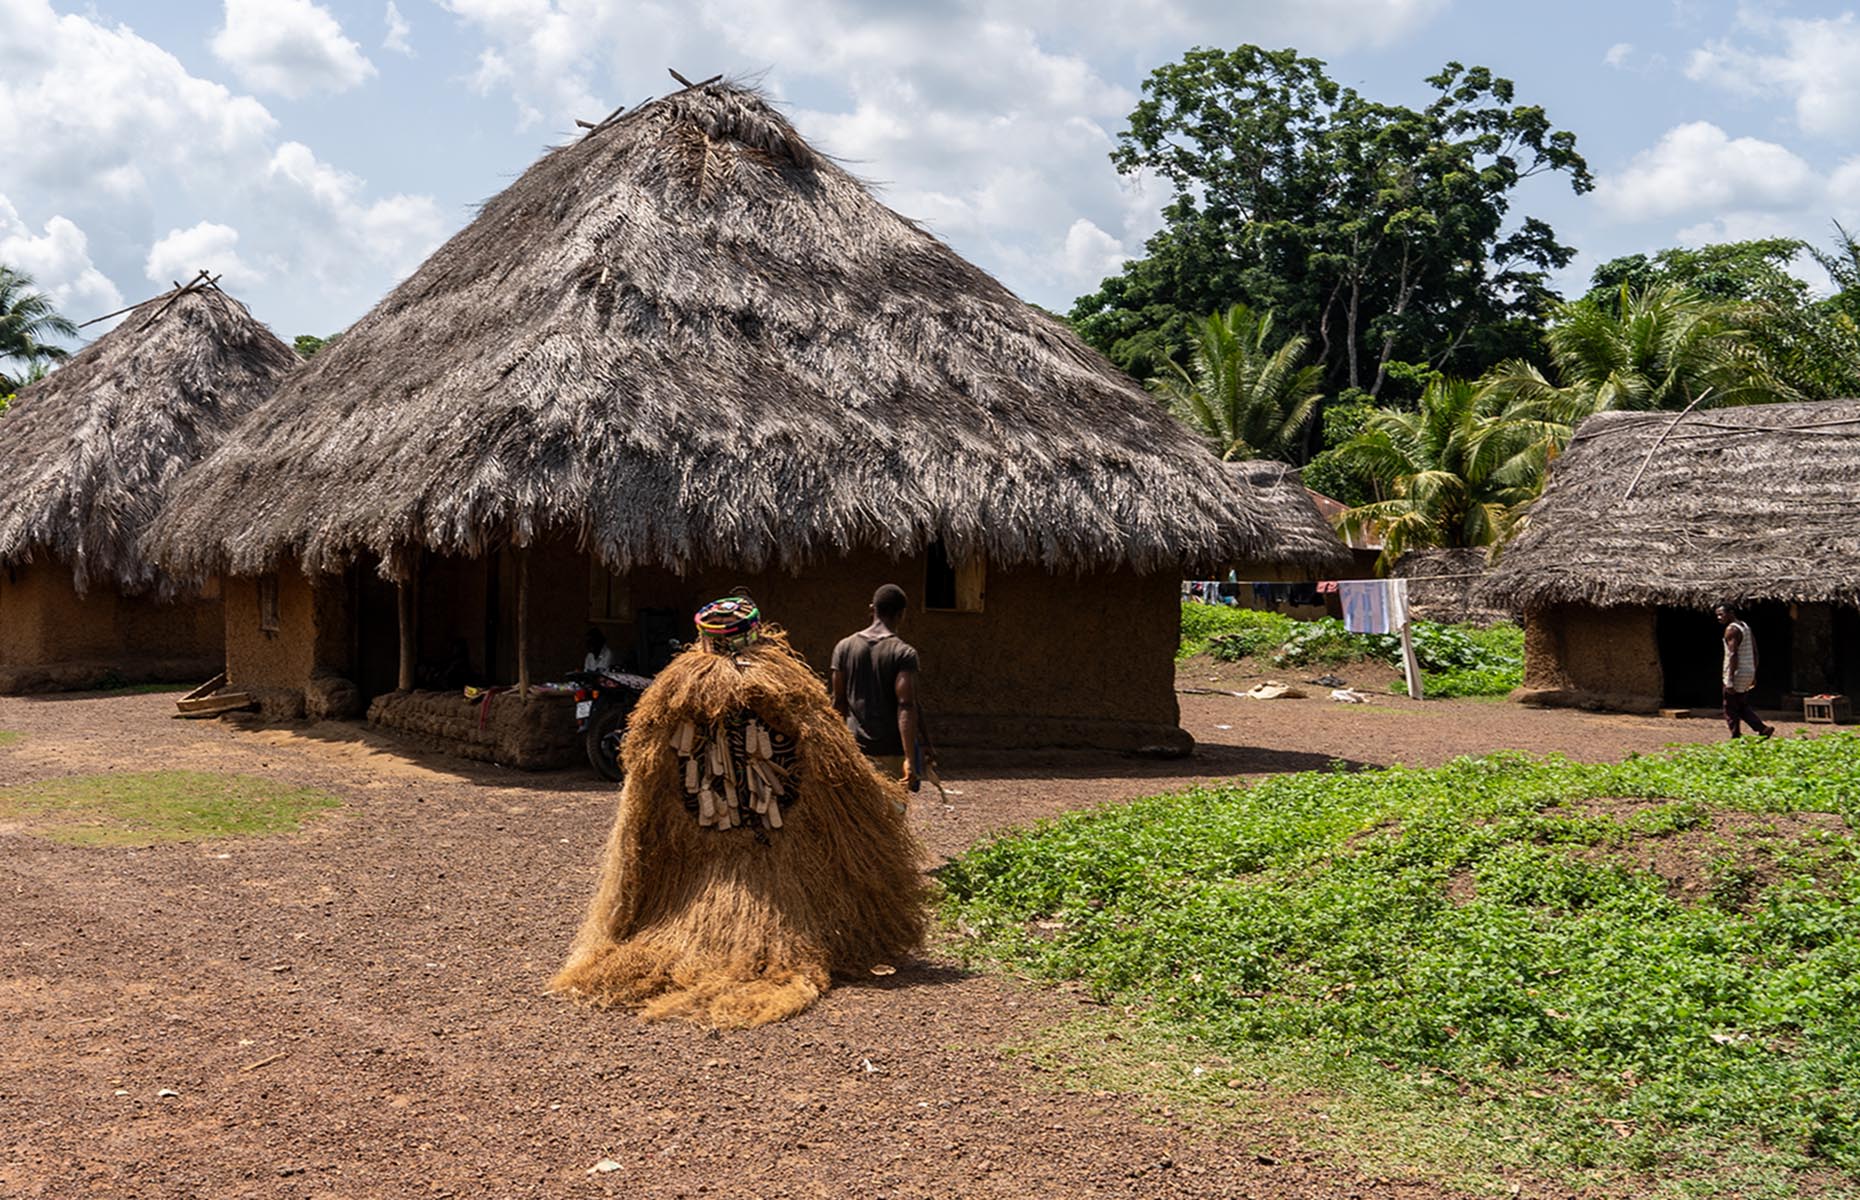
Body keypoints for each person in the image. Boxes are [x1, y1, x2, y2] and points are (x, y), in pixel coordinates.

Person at [830, 583, 923, 788]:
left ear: (872, 609)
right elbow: (906, 705)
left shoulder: (844, 648)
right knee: (891, 815)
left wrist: (834, 749)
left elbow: (838, 702)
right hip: (891, 749)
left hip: (855, 749)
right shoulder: (903, 653)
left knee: (858, 815)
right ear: (902, 614)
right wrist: (909, 757)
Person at [1716, 603, 1774, 739]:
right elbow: (1755, 652)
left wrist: (1729, 679)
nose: (1719, 617)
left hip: (1737, 673)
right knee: (1741, 705)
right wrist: (1753, 672)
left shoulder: (1732, 630)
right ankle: (1762, 728)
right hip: (1747, 671)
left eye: (1721, 614)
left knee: (1729, 707)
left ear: (1730, 613)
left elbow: (1733, 654)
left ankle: (1735, 736)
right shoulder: (1745, 627)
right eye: (1717, 615)